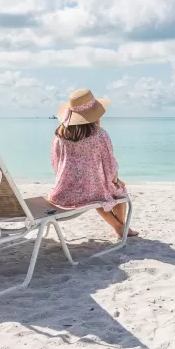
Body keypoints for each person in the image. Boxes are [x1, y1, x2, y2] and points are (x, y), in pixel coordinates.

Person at [48, 89, 137, 239]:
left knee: (101, 192)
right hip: (91, 192)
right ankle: (120, 228)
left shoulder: (59, 135)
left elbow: (56, 161)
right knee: (118, 191)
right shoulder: (99, 135)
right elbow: (110, 165)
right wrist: (115, 181)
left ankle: (121, 228)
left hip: (63, 193)